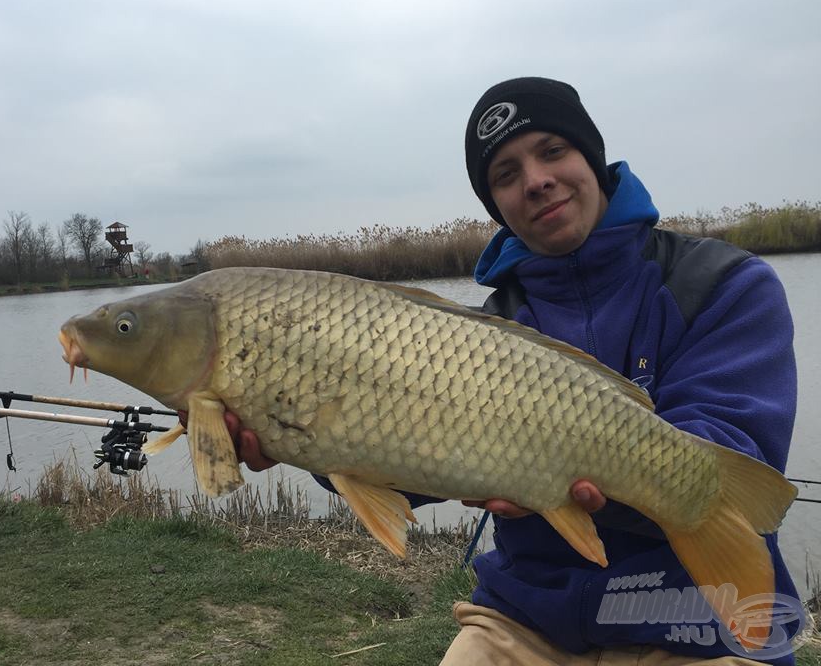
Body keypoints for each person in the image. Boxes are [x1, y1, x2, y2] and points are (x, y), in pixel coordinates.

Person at [222, 77, 801, 665]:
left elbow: (743, 449)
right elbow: (404, 461)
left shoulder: (724, 283)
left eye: (553, 151)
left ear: (592, 159)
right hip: (526, 619)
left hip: (695, 618)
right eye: (506, 174)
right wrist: (298, 433)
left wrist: (578, 476)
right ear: (495, 203)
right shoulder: (480, 333)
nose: (536, 180)